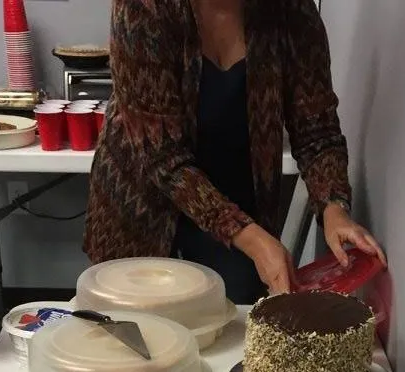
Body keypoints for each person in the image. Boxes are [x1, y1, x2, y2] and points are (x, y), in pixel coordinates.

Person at [84, 0, 385, 304]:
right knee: (142, 327)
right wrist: (253, 240)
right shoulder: (143, 7)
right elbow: (161, 157)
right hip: (143, 203)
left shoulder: (290, 11)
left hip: (237, 206)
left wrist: (334, 207)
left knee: (232, 326)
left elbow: (317, 129)